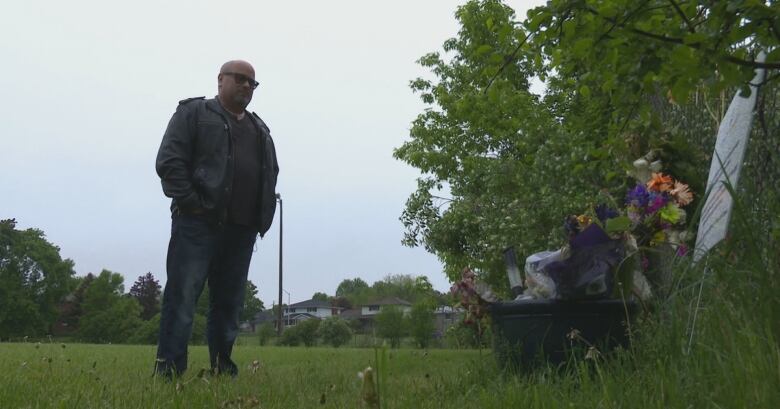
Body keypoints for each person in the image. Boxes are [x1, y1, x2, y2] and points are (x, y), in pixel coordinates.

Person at [154, 60, 279, 378]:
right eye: (240, 79)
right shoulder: (194, 113)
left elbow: (270, 173)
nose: (247, 86)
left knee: (229, 305)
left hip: (241, 229)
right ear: (220, 79)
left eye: (252, 83)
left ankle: (222, 366)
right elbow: (169, 161)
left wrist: (260, 218)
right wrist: (192, 203)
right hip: (197, 224)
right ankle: (169, 369)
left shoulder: (259, 128)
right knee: (182, 297)